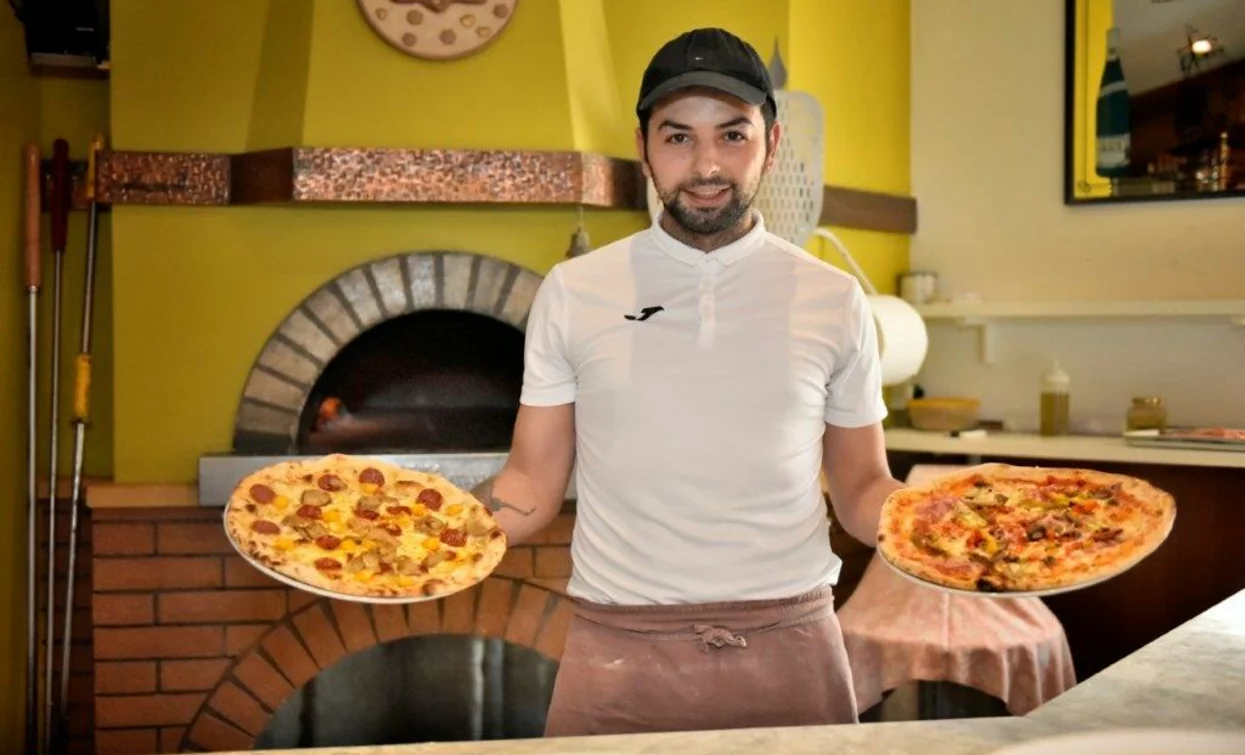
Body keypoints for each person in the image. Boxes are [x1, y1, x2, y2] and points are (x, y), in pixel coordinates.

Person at [470, 27, 905, 737]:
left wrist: (956, 533)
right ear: (642, 145)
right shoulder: (574, 290)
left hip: (790, 646)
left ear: (771, 137)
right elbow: (528, 485)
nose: (706, 164)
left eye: (732, 135)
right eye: (678, 137)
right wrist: (424, 540)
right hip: (616, 653)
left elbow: (860, 491)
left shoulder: (833, 299)